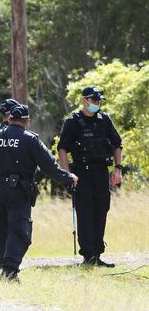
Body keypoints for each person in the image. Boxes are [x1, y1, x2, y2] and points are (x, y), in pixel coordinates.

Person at [0, 105, 78, 281]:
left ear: (9, 119)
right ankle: (10, 270)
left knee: (2, 229)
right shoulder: (30, 139)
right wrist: (68, 178)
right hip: (18, 191)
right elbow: (49, 165)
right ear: (27, 121)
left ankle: (4, 265)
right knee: (20, 230)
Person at [57, 86, 122, 267]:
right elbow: (62, 148)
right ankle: (89, 256)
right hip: (81, 173)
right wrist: (66, 174)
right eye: (94, 100)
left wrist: (118, 169)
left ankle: (98, 254)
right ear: (85, 100)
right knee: (85, 214)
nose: (97, 104)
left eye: (99, 100)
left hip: (101, 172)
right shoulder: (73, 122)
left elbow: (117, 144)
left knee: (101, 211)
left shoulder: (105, 120)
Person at [0, 98, 20, 269]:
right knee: (6, 225)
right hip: (6, 187)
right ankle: (3, 260)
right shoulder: (2, 134)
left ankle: (1, 260)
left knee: (1, 225)